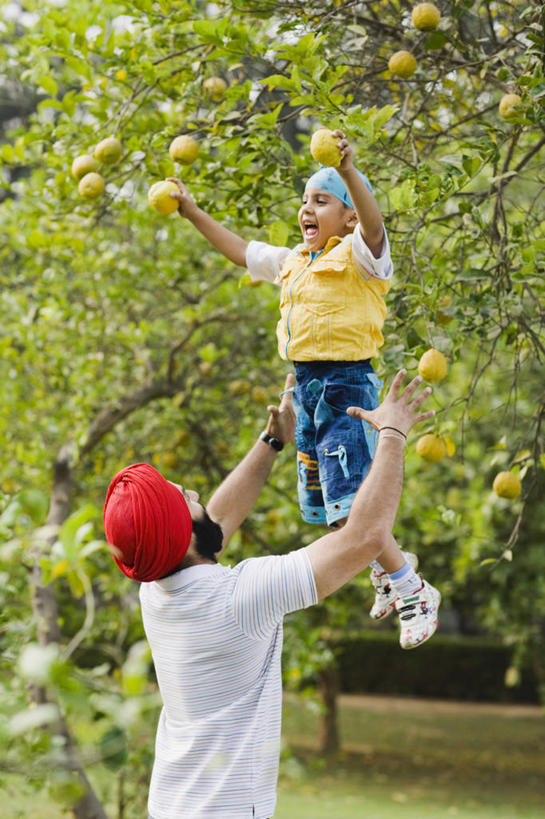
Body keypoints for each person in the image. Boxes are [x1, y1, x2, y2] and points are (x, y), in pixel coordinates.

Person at [103, 370, 440, 819]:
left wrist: (272, 441)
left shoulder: (155, 589)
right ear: (181, 534)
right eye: (178, 496)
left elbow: (215, 521)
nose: (189, 489)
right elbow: (365, 537)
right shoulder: (239, 599)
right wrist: (394, 432)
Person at [166, 131, 440, 646]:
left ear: (349, 217)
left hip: (346, 388)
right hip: (308, 392)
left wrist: (350, 170)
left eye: (321, 200)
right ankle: (386, 571)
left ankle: (412, 587)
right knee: (330, 510)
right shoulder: (294, 261)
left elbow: (376, 224)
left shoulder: (363, 258)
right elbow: (240, 251)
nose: (306, 209)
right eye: (304, 200)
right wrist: (191, 213)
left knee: (355, 504)